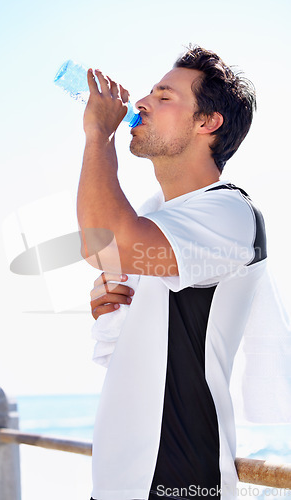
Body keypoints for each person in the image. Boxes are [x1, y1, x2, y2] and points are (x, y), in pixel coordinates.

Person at [76, 46, 266, 500]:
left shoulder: (230, 212)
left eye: (164, 97)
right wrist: (115, 312)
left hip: (179, 476)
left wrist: (99, 136)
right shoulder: (155, 214)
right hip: (118, 479)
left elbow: (107, 241)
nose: (140, 102)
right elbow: (106, 250)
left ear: (207, 123)